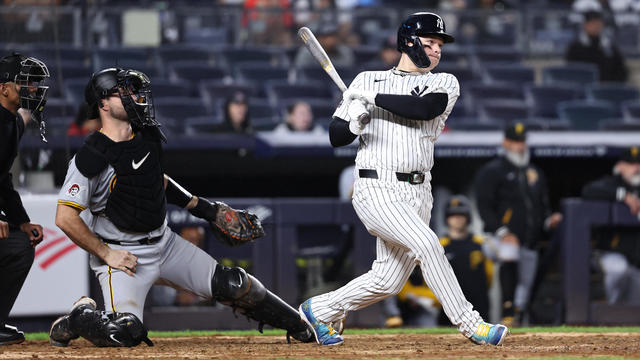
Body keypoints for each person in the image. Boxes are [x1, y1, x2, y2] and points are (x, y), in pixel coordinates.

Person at [48, 67, 312, 347]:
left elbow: (155, 181)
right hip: (123, 256)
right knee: (124, 333)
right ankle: (80, 316)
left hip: (165, 243)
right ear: (102, 103)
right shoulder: (91, 155)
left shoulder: (146, 136)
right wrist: (106, 253)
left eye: (134, 90)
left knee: (235, 284)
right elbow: (65, 217)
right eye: (123, 91)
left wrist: (206, 209)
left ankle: (301, 326)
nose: (134, 96)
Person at [298, 12, 509, 347]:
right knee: (427, 244)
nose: (437, 50)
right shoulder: (366, 79)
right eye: (430, 43)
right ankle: (471, 324)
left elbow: (423, 110)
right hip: (376, 187)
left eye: (440, 44)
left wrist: (371, 100)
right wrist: (353, 123)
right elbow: (336, 136)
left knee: (387, 281)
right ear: (409, 43)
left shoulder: (444, 83)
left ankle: (318, 309)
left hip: (418, 191)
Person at [474, 123, 562, 327]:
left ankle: (518, 318)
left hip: (529, 240)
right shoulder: (492, 171)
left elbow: (541, 205)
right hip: (497, 238)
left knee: (525, 285)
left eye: (522, 142)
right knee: (510, 251)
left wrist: (549, 220)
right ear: (506, 143)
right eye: (515, 142)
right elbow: (484, 205)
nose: (520, 147)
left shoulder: (534, 172)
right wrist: (502, 231)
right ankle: (507, 311)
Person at [0, 52, 48, 345]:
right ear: (3, 88)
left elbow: (2, 179)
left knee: (19, 245)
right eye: (24, 84)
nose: (32, 90)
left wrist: (21, 221)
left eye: (34, 84)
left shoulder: (14, 123)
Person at [582, 146, 640, 305]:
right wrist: (622, 196)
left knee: (634, 307)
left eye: (638, 164)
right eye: (630, 164)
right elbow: (588, 191)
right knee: (618, 269)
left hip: (636, 261)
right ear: (620, 166)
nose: (636, 168)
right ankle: (607, 310)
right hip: (608, 252)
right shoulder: (612, 183)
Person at [565, 10, 628, 83]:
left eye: (598, 23)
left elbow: (621, 71)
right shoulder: (575, 47)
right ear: (585, 25)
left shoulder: (610, 47)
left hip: (605, 90)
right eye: (592, 23)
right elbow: (571, 71)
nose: (595, 26)